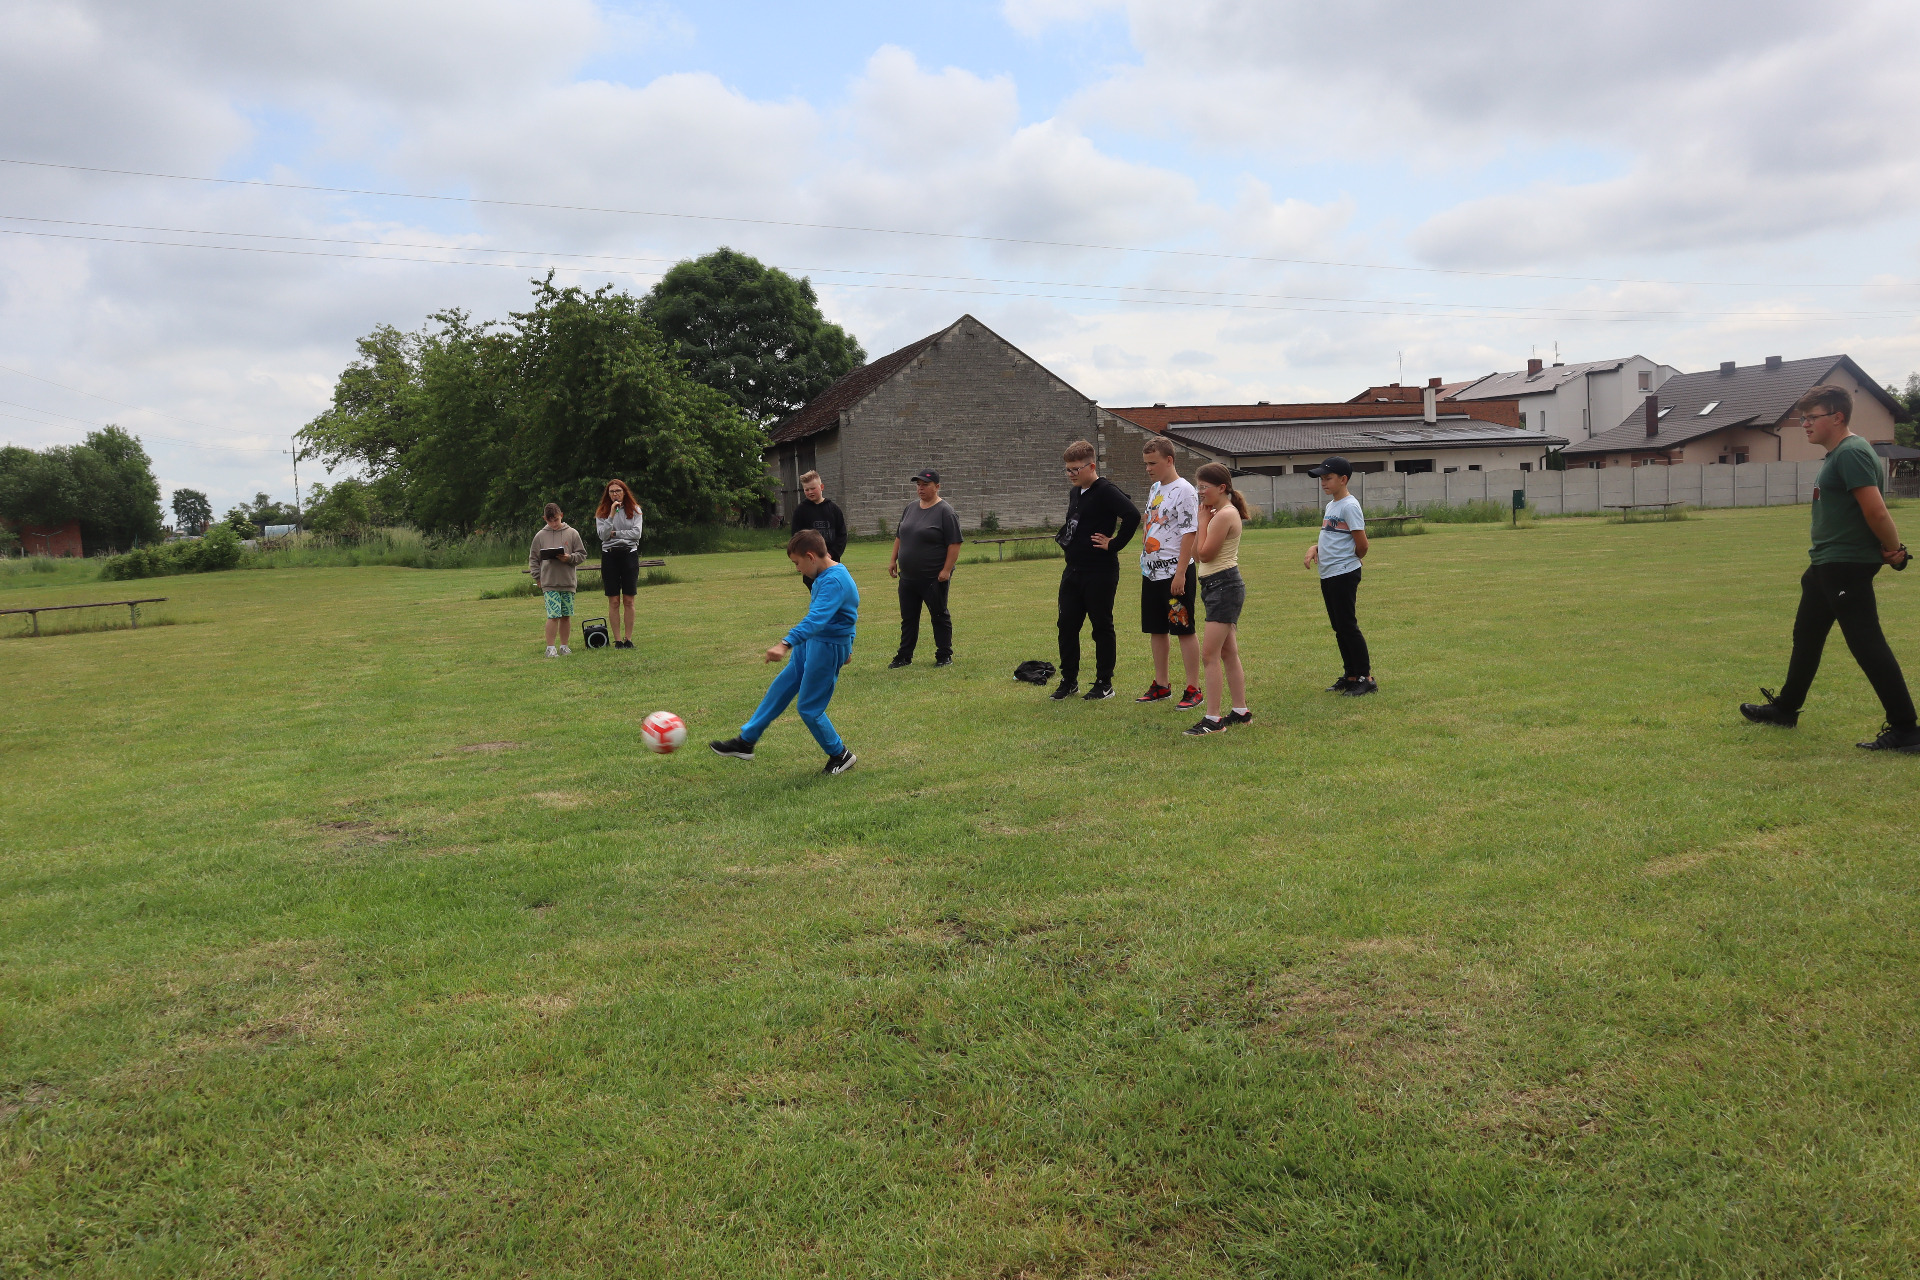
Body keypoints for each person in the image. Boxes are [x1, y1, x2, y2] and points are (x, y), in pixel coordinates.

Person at [1741, 385, 1918, 751]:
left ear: (1837, 417)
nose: (1804, 424)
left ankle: (1906, 729)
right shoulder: (1839, 455)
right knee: (1806, 636)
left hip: (1845, 566)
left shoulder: (1851, 453)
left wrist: (1895, 550)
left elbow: (1876, 510)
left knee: (1866, 643)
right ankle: (1786, 709)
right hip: (1826, 565)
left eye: (1811, 417)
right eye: (1802, 418)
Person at [709, 529, 860, 775]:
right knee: (781, 687)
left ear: (811, 556)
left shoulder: (834, 580)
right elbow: (844, 611)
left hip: (827, 646)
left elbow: (818, 618)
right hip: (812, 642)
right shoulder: (826, 572)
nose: (797, 569)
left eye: (797, 563)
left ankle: (840, 754)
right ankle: (746, 741)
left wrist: (785, 643)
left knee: (809, 708)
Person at [1052, 440, 1140, 701]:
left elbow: (1132, 515)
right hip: (1073, 570)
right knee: (1066, 625)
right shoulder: (1075, 492)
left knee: (1101, 626)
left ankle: (1104, 683)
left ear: (1091, 466)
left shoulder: (1105, 490)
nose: (1071, 474)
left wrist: (1114, 544)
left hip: (1100, 571)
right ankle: (1069, 680)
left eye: (1075, 469)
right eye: (1067, 469)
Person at [1184, 463, 1254, 735]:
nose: (1200, 492)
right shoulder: (1217, 514)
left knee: (1209, 655)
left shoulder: (1225, 515)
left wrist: (1202, 522)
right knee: (1227, 652)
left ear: (1222, 487)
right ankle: (1241, 711)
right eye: (1198, 487)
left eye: (1204, 487)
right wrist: (1202, 521)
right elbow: (1197, 554)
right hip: (1216, 586)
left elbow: (1205, 554)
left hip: (1223, 586)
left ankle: (1213, 719)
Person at [1136, 439, 1203, 708]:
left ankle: (1194, 688)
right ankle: (1161, 685)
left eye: (1153, 463)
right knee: (1156, 629)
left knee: (1183, 629)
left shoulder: (1185, 490)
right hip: (1151, 572)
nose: (1148, 469)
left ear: (1169, 460)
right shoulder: (1155, 488)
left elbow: (1189, 533)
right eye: (1146, 464)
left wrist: (1180, 574)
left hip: (1175, 573)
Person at [1302, 457, 1375, 696]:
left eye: (1328, 478)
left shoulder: (1349, 506)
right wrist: (1316, 547)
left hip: (1344, 573)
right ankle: (1351, 675)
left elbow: (1362, 544)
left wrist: (1351, 561)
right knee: (1339, 626)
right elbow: (1334, 537)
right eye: (1321, 479)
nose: (1323, 482)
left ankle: (1366, 678)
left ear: (1343, 479)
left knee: (1347, 626)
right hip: (1329, 573)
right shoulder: (1332, 505)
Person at [888, 469, 963, 668]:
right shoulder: (910, 508)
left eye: (925, 485)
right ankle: (904, 656)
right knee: (908, 618)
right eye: (918, 485)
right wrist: (893, 559)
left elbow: (954, 544)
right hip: (908, 577)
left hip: (933, 577)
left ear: (937, 487)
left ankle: (944, 655)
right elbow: (900, 535)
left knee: (939, 615)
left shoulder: (945, 512)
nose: (920, 489)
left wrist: (946, 570)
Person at [528, 502, 586, 657]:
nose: (553, 524)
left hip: (567, 581)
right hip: (549, 582)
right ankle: (550, 647)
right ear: (545, 519)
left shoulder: (572, 533)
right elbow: (533, 559)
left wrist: (569, 558)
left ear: (562, 516)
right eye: (550, 521)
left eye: (556, 520)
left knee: (566, 616)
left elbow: (582, 555)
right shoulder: (540, 536)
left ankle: (564, 646)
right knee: (553, 615)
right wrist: (537, 577)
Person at [594, 479, 644, 649]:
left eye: (618, 491)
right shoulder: (602, 512)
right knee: (614, 600)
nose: (615, 494)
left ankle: (628, 639)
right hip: (610, 555)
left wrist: (615, 534)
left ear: (624, 492)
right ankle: (617, 641)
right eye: (612, 492)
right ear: (608, 494)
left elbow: (636, 534)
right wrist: (611, 515)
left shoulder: (635, 510)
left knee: (628, 600)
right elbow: (603, 535)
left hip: (629, 554)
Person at [790, 471, 848, 566]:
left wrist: (831, 553)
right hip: (810, 561)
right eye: (806, 489)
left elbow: (842, 535)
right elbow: (796, 537)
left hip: (832, 561)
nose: (810, 492)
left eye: (813, 488)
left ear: (821, 487)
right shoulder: (800, 511)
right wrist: (809, 555)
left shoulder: (834, 509)